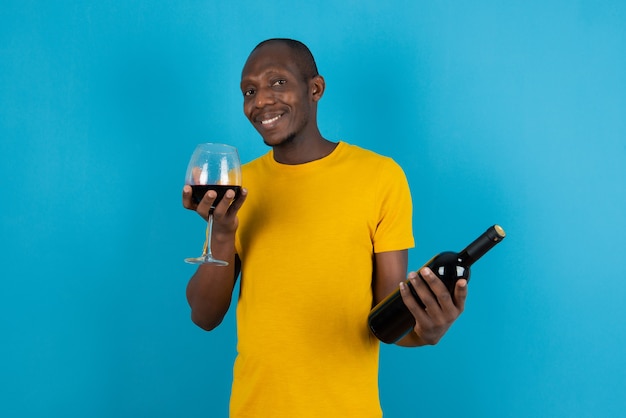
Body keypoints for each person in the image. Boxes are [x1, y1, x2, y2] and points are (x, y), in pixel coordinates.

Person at [182, 38, 467, 418]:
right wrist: (221, 233)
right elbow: (204, 316)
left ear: (315, 89)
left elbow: (388, 317)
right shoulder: (240, 184)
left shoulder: (380, 178)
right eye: (249, 91)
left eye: (277, 82)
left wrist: (428, 331)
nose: (261, 100)